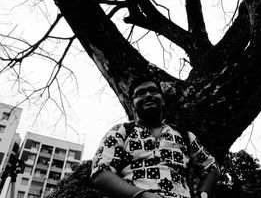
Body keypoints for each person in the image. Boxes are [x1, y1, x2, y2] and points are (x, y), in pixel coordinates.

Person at [91, 77, 220, 198]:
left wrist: (203, 195)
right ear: (132, 104)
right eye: (141, 93)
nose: (148, 95)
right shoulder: (120, 132)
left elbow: (211, 168)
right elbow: (100, 173)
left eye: (153, 91)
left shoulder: (184, 135)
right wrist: (143, 196)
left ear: (162, 99)